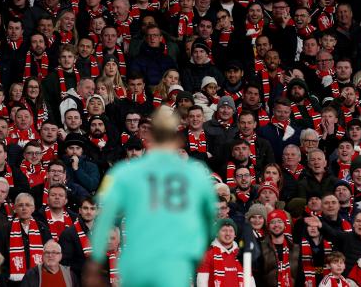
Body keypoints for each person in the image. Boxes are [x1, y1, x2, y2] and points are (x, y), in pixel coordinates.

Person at [84, 106, 217, 286]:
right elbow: (209, 219)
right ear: (178, 140)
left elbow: (104, 213)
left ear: (149, 137)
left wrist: (94, 261)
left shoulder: (122, 172)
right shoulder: (195, 173)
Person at [196, 218, 256, 286]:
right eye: (224, 230)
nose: (228, 234)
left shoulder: (242, 255)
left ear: (235, 235)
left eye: (231, 231)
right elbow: (201, 282)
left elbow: (250, 281)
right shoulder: (207, 254)